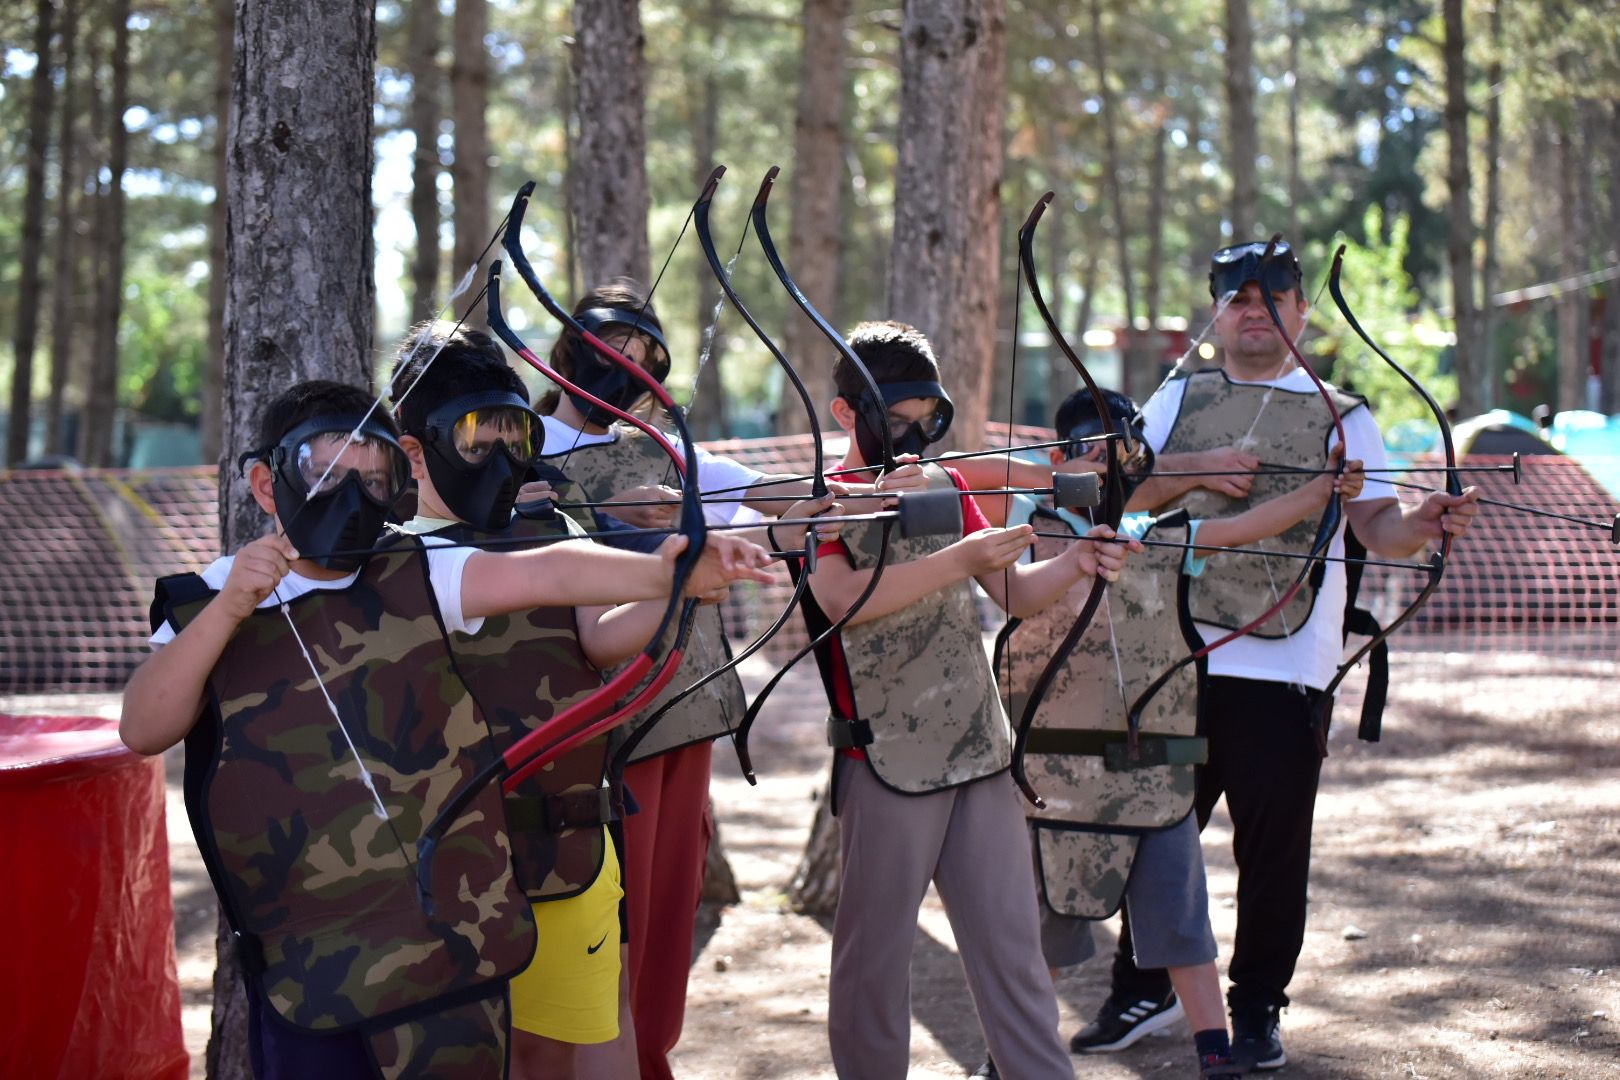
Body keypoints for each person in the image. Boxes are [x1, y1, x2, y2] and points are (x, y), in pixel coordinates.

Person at [122, 379, 773, 1080]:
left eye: (376, 479)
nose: (354, 497)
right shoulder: (209, 600)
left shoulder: (421, 569)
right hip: (311, 965)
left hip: (446, 952)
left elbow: (546, 573)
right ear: (265, 481)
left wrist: (666, 574)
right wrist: (229, 608)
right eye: (328, 473)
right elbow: (143, 726)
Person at [1071, 241, 1479, 1071]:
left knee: (1273, 850)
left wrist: (1427, 522)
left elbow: (1380, 526)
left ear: (1302, 310)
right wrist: (1195, 468)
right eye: (1237, 296)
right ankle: (1144, 987)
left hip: (1285, 666)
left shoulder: (1342, 412)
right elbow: (1116, 491)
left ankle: (1254, 1006)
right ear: (1215, 311)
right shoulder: (1177, 398)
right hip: (1171, 657)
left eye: (1273, 295)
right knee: (1152, 829)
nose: (1254, 309)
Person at [795, 320, 1134, 1079]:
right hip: (886, 761)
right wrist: (960, 556)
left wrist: (1080, 559)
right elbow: (841, 596)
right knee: (873, 971)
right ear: (847, 412)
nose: (916, 433)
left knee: (1014, 959)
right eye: (897, 415)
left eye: (929, 416)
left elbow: (1013, 591)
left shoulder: (948, 486)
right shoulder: (824, 500)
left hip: (979, 753)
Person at [994, 387, 1363, 1080]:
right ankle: (1009, 1053)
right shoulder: (1028, 530)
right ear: (1058, 457)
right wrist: (1074, 554)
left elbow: (1244, 527)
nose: (1106, 466)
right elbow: (1011, 591)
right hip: (1058, 771)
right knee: (1048, 919)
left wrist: (1321, 494)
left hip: (1149, 765)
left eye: (1122, 452)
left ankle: (1214, 1054)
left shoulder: (1162, 536)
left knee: (1181, 919)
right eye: (1089, 452)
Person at [534, 279, 850, 1080]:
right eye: (611, 355)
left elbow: (764, 499)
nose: (626, 374)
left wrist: (847, 491)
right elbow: (520, 541)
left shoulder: (664, 444)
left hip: (689, 706)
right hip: (609, 721)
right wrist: (613, 514)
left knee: (670, 917)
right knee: (623, 914)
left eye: (643, 361)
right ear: (569, 353)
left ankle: (650, 1060)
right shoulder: (523, 446)